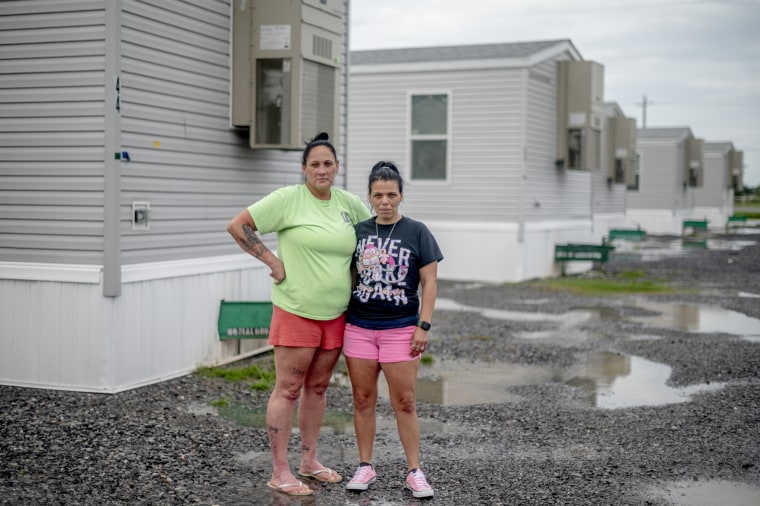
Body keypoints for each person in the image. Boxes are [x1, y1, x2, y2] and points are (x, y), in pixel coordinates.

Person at [226, 132, 371, 497]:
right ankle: (280, 471)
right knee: (288, 388)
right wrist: (272, 260)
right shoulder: (288, 199)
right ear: (303, 168)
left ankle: (309, 462)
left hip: (336, 313)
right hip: (296, 311)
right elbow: (238, 225)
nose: (322, 170)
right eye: (314, 164)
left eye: (328, 164)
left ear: (337, 167)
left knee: (318, 388)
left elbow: (370, 241)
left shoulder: (349, 204)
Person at [343, 161, 443, 498]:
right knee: (362, 399)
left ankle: (414, 471)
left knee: (405, 400)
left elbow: (429, 283)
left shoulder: (417, 232)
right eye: (378, 195)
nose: (385, 201)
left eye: (391, 194)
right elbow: (350, 277)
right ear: (369, 197)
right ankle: (365, 466)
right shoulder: (358, 231)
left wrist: (423, 326)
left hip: (401, 328)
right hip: (359, 326)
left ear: (400, 196)